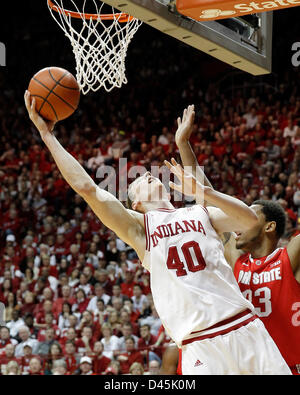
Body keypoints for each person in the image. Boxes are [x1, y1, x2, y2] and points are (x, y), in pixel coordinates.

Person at [24, 92, 291, 375]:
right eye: (139, 180)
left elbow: (249, 220)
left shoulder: (200, 212)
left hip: (244, 326)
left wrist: (202, 189)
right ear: (135, 202)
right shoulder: (140, 227)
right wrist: (47, 136)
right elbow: (88, 188)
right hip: (199, 344)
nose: (149, 175)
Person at [176, 104, 300, 375]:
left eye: (248, 218)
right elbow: (204, 194)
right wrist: (184, 144)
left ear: (269, 227)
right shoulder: (236, 257)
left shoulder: (289, 257)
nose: (237, 223)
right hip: (247, 366)